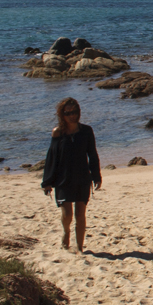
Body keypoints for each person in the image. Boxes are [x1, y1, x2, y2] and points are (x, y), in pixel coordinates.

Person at [41, 97, 102, 252]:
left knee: (80, 214)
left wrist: (96, 176)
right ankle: (66, 232)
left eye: (75, 112)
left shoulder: (86, 131)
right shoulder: (58, 133)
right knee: (67, 214)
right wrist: (47, 181)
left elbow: (92, 154)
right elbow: (51, 158)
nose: (72, 115)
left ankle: (80, 247)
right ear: (62, 114)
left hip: (82, 177)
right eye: (68, 113)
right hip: (63, 179)